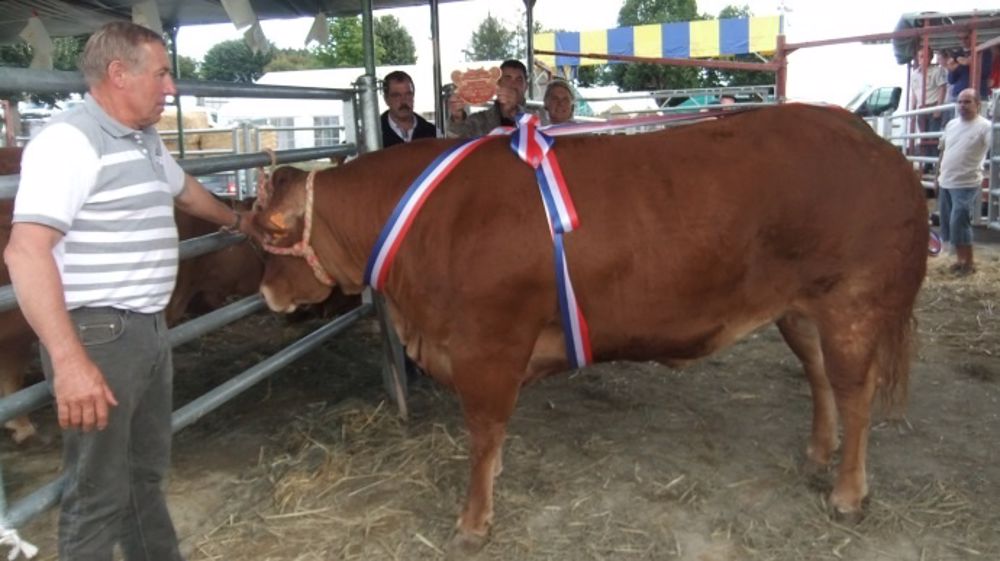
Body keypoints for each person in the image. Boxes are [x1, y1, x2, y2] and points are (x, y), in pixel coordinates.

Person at [3, 21, 257, 561]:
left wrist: (239, 221)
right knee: (97, 491)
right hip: (98, 336)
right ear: (119, 74)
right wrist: (70, 362)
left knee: (143, 475)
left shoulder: (141, 137)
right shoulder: (69, 142)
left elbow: (184, 192)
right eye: (162, 74)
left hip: (144, 328)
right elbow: (25, 252)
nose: (172, 87)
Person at [936, 88, 991, 276]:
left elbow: (995, 148)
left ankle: (969, 263)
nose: (962, 105)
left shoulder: (985, 127)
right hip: (946, 180)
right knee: (950, 224)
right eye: (959, 102)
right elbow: (943, 150)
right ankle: (960, 261)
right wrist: (937, 176)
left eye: (967, 102)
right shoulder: (951, 125)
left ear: (978, 105)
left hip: (967, 182)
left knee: (959, 221)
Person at [447, 59, 540, 137]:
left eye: (519, 79)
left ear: (526, 86)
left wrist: (516, 111)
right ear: (497, 84)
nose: (513, 84)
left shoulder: (539, 117)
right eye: (507, 78)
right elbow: (456, 140)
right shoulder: (480, 120)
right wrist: (457, 117)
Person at [380, 70, 437, 148]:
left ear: (413, 95)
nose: (403, 101)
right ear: (386, 99)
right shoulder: (375, 134)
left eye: (408, 94)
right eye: (396, 95)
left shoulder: (432, 133)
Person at [910, 48, 949, 157]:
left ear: (931, 57)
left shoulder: (937, 71)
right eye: (920, 56)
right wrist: (912, 110)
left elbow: (942, 88)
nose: (923, 59)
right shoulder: (914, 74)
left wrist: (938, 108)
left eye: (925, 56)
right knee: (923, 137)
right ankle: (926, 163)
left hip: (933, 106)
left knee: (933, 137)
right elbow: (914, 93)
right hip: (921, 109)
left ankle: (935, 161)